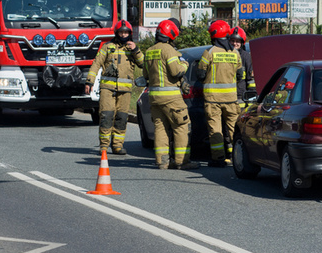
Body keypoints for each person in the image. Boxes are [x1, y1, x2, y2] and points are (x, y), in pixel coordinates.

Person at [143, 18, 199, 170]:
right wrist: (185, 64)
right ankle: (182, 162)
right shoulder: (169, 50)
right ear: (171, 35)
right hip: (171, 97)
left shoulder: (149, 51)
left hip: (154, 97)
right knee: (182, 126)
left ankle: (162, 162)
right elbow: (176, 71)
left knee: (160, 128)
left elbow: (146, 75)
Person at [85, 20, 144, 155]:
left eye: (126, 32)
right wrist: (90, 81)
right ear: (116, 33)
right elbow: (96, 64)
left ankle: (117, 145)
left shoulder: (133, 48)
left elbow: (143, 64)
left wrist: (136, 50)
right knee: (106, 116)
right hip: (107, 89)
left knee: (122, 117)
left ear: (130, 33)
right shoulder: (107, 47)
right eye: (121, 32)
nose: (123, 35)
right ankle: (104, 146)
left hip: (125, 91)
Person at [196, 21, 244, 167]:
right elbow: (240, 74)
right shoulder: (235, 53)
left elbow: (200, 74)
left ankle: (218, 158)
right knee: (234, 129)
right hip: (231, 99)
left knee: (215, 130)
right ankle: (238, 157)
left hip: (212, 100)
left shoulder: (209, 52)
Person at [229, 26, 255, 105]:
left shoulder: (246, 57)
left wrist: (251, 100)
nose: (235, 43)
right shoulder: (225, 55)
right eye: (232, 41)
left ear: (242, 43)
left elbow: (251, 80)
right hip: (227, 97)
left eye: (237, 41)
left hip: (241, 98)